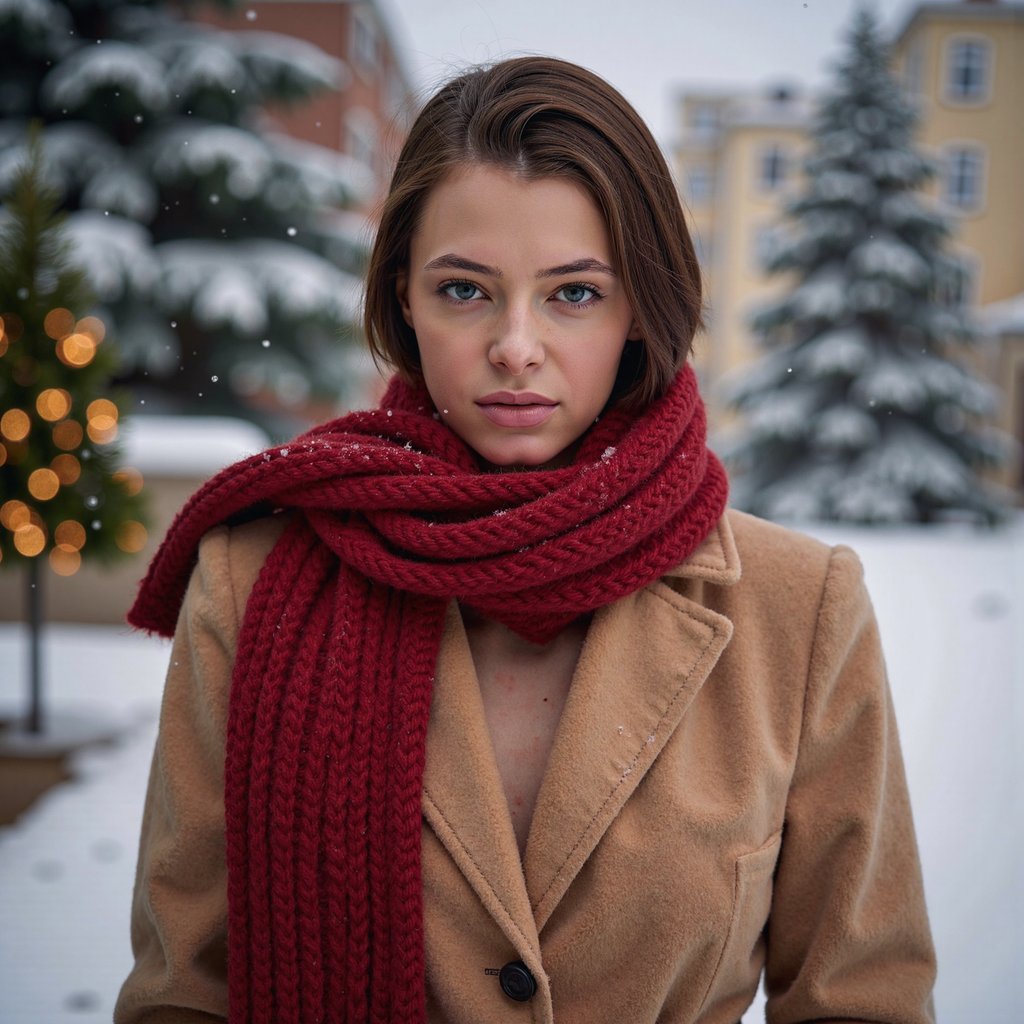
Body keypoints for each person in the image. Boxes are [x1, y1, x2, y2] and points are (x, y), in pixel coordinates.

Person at [115, 57, 936, 1024]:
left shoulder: (799, 608)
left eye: (573, 294)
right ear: (404, 298)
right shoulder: (250, 583)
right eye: (465, 289)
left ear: (641, 310)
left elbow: (861, 998)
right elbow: (186, 995)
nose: (515, 346)